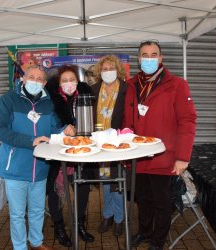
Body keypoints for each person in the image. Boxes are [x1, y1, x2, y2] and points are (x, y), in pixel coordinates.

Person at [123, 41, 197, 250]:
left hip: (163, 156)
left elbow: (187, 120)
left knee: (161, 202)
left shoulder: (177, 85)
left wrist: (183, 156)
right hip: (138, 155)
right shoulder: (131, 85)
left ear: (161, 58)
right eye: (144, 55)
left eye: (153, 54)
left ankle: (158, 241)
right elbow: (127, 119)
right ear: (138, 59)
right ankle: (145, 232)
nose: (149, 59)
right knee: (142, 199)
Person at [0, 65, 75, 250]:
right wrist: (31, 140)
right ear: (23, 79)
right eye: (31, 77)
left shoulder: (47, 103)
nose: (35, 81)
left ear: (45, 83)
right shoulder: (9, 100)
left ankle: (36, 242)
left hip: (40, 167)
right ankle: (20, 247)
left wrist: (64, 129)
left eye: (39, 79)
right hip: (15, 167)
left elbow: (53, 127)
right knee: (17, 214)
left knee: (37, 210)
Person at [45, 64, 96, 246]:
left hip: (80, 152)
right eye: (64, 80)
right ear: (59, 83)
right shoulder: (49, 99)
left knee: (82, 189)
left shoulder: (85, 95)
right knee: (55, 192)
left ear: (77, 81)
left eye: (72, 80)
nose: (68, 83)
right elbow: (47, 123)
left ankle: (79, 224)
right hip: (57, 153)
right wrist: (62, 128)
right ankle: (59, 227)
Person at [90, 55, 128, 236]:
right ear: (99, 72)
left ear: (118, 70)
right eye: (104, 69)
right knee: (106, 181)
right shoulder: (93, 89)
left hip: (119, 144)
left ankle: (119, 218)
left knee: (118, 181)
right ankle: (108, 215)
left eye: (111, 68)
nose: (108, 72)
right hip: (100, 144)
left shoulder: (127, 89)